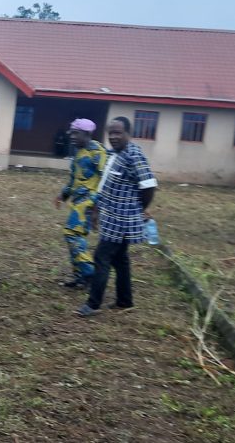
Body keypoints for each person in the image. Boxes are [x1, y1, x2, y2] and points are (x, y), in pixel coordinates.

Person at [76, 116, 157, 317]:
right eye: (111, 132)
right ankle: (125, 301)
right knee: (120, 259)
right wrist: (96, 209)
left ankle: (93, 304)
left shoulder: (134, 155)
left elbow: (148, 186)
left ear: (128, 133)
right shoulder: (114, 154)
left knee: (101, 257)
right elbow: (105, 184)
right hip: (111, 215)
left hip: (122, 219)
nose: (113, 136)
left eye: (118, 132)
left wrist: (139, 208)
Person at [54, 119, 106, 289]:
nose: (72, 136)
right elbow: (73, 179)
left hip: (90, 201)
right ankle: (80, 277)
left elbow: (106, 180)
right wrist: (63, 194)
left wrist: (98, 207)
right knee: (75, 236)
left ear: (87, 134)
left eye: (76, 133)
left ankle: (90, 273)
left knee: (71, 232)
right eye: (72, 132)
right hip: (78, 200)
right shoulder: (78, 153)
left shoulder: (97, 152)